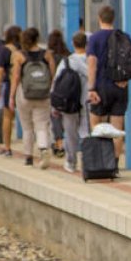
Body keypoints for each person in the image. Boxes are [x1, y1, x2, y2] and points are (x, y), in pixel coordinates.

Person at [86, 5, 131, 161]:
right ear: (113, 19)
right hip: (120, 87)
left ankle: (99, 161)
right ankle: (113, 163)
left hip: (100, 88)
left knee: (95, 124)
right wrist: (126, 78)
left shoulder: (94, 38)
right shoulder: (123, 36)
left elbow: (92, 63)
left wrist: (91, 88)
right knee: (117, 128)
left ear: (99, 18)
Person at [9, 27, 56, 168]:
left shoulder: (19, 55)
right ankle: (43, 149)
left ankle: (28, 157)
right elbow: (53, 75)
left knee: (27, 127)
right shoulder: (47, 55)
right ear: (37, 38)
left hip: (25, 94)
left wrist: (11, 96)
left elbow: (16, 77)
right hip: (43, 94)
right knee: (42, 125)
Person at [54, 31, 89, 173]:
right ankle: (87, 163)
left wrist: (54, 105)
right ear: (87, 44)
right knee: (87, 133)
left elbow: (56, 82)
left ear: (73, 44)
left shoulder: (67, 61)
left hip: (69, 103)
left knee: (70, 133)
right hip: (87, 102)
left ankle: (71, 162)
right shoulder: (91, 60)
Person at [0, 25, 22, 157]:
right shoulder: (22, 50)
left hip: (10, 85)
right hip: (24, 86)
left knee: (7, 116)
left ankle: (7, 147)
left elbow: (0, 70)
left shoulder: (6, 50)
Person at [46, 29, 69, 158]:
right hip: (67, 91)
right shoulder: (68, 55)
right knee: (68, 117)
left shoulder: (49, 56)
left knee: (55, 117)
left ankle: (59, 143)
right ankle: (67, 142)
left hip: (53, 91)